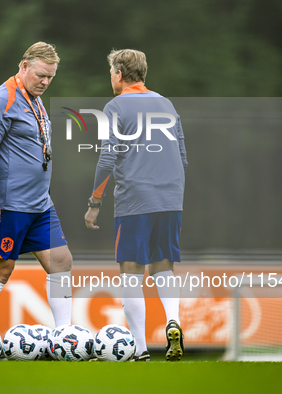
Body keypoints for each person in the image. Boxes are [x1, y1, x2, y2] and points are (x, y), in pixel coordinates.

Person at [84, 49, 188, 362]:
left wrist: (95, 202)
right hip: (171, 198)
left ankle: (140, 349)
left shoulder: (115, 106)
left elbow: (106, 159)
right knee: (163, 266)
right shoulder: (166, 104)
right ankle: (173, 321)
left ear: (118, 74)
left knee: (131, 272)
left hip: (135, 200)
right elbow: (183, 157)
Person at [0, 42, 73, 329]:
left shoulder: (34, 97)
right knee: (0, 269)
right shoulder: (3, 98)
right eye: (40, 75)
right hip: (8, 203)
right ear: (24, 66)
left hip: (40, 203)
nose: (45, 82)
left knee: (61, 261)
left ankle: (65, 337)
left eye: (50, 77)